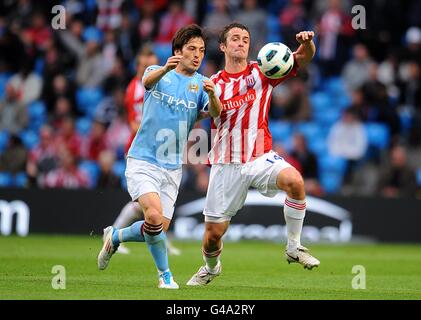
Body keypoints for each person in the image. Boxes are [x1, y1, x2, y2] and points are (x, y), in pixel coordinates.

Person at [187, 23, 320, 287]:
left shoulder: (264, 70)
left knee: (294, 180)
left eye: (245, 39)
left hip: (260, 156)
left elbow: (303, 58)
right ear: (223, 46)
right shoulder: (211, 84)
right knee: (213, 235)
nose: (241, 43)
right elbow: (196, 117)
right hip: (226, 165)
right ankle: (211, 268)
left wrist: (306, 43)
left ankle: (294, 247)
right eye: (235, 39)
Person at [97, 24, 222, 289]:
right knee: (152, 217)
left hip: (172, 166)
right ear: (178, 51)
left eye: (201, 50)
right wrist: (165, 68)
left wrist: (212, 96)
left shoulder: (201, 84)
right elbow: (146, 82)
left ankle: (115, 236)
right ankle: (165, 276)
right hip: (144, 160)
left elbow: (213, 113)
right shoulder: (157, 72)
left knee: (158, 227)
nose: (197, 55)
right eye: (191, 49)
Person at [110, 46, 181, 256]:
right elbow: (134, 123)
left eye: (149, 64)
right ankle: (116, 234)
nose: (145, 68)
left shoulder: (161, 83)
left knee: (150, 205)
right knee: (144, 204)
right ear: (137, 66)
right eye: (142, 65)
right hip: (141, 151)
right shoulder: (136, 88)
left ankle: (119, 234)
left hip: (160, 151)